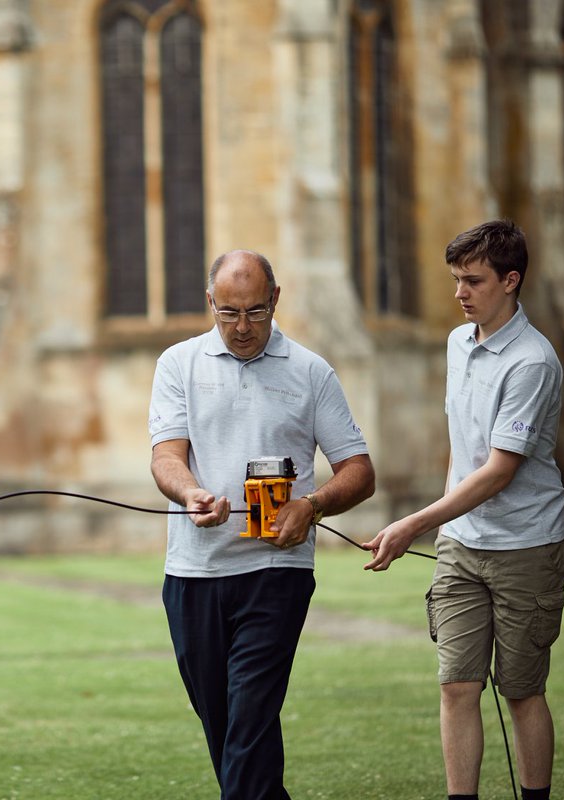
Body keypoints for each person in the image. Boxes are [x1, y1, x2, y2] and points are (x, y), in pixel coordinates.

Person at [149, 250, 375, 799]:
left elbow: (359, 471)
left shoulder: (311, 371)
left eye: (255, 311)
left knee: (249, 721)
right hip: (193, 573)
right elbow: (165, 458)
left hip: (276, 572)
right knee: (226, 726)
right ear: (210, 304)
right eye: (229, 313)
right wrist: (191, 492)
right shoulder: (178, 363)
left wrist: (312, 506)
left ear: (276, 300)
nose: (243, 328)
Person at [363, 220, 564, 800]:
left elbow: (500, 471)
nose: (459, 292)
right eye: (455, 279)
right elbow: (464, 441)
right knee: (457, 685)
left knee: (521, 690)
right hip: (461, 545)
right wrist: (448, 517)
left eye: (472, 281)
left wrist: (413, 523)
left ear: (511, 280)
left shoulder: (532, 362)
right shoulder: (460, 341)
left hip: (527, 545)